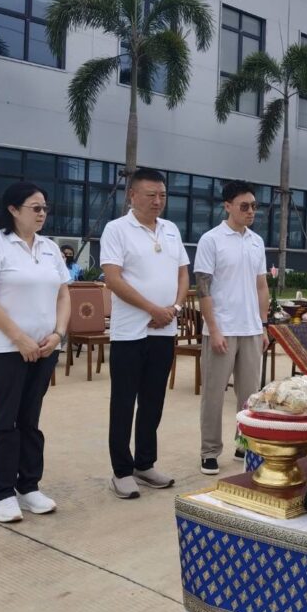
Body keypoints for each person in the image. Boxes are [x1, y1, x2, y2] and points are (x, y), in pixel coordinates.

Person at [0, 182, 71, 523]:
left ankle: (29, 487)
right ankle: (2, 494)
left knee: (30, 419)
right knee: (5, 420)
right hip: (7, 350)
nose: (42, 213)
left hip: (44, 349)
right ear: (13, 209)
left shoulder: (49, 248)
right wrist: (19, 338)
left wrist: (58, 335)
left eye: (45, 208)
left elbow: (63, 295)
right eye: (35, 207)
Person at [100, 168, 189, 499]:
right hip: (130, 333)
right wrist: (153, 309)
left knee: (153, 400)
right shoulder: (116, 230)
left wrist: (173, 309)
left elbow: (183, 274)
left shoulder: (170, 230)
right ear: (132, 195)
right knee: (124, 402)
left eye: (162, 195)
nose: (157, 201)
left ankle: (145, 463)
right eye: (151, 195)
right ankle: (122, 471)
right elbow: (113, 279)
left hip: (165, 330)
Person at [195, 180, 270, 475]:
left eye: (254, 206)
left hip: (251, 329)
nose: (251, 211)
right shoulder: (211, 240)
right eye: (244, 206)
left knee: (250, 396)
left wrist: (263, 326)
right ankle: (209, 451)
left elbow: (261, 286)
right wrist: (213, 329)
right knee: (213, 394)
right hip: (222, 329)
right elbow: (203, 288)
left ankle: (244, 444)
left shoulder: (256, 241)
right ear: (227, 206)